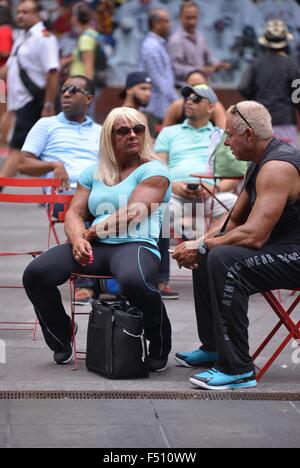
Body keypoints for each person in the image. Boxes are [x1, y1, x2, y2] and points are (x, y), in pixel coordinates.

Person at [23, 106, 172, 373]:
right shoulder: (93, 171)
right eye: (123, 131)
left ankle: (159, 341)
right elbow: (74, 212)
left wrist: (88, 234)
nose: (133, 135)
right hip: (95, 246)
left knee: (134, 281)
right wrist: (77, 238)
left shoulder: (155, 171)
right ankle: (62, 334)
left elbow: (134, 211)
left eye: (138, 129)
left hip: (136, 244)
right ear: (109, 137)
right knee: (36, 273)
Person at [172, 100, 300, 390]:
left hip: (295, 254)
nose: (226, 142)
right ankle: (216, 347)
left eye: (229, 135)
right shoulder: (257, 163)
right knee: (210, 254)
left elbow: (253, 235)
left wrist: (206, 247)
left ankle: (238, 368)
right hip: (280, 249)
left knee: (223, 259)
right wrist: (199, 242)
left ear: (249, 135)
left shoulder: (278, 166)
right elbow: (233, 221)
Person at [19, 75, 101, 306]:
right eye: (64, 89)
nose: (65, 93)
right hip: (63, 195)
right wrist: (54, 165)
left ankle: (126, 280)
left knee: (141, 211)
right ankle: (86, 281)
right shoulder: (46, 125)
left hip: (98, 193)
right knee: (85, 215)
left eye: (73, 90)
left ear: (88, 98)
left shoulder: (101, 131)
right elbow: (23, 164)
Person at [155, 84, 245, 239]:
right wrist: (172, 185)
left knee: (238, 206)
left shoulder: (222, 136)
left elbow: (234, 174)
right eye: (187, 99)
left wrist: (214, 188)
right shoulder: (168, 132)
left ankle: (207, 242)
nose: (189, 102)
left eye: (196, 99)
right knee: (158, 207)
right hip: (175, 194)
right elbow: (158, 167)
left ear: (210, 108)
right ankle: (191, 237)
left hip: (211, 195)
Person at [120, 70, 178, 300]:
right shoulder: (116, 118)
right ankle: (89, 284)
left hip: (144, 180)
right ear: (128, 89)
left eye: (150, 89)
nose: (147, 94)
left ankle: (160, 280)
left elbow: (150, 153)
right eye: (142, 88)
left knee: (160, 213)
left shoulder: (150, 118)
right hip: (119, 181)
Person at [0, 0, 59, 180]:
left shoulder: (44, 38)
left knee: (18, 148)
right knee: (37, 147)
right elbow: (8, 68)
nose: (20, 15)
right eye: (18, 12)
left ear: (37, 14)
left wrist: (48, 104)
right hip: (19, 102)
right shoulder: (22, 37)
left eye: (26, 12)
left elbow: (52, 72)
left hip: (34, 101)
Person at [239, 20, 300, 148]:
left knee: (263, 159)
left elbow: (243, 86)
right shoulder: (291, 65)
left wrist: (255, 100)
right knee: (287, 159)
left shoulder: (256, 64)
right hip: (285, 120)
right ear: (285, 43)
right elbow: (297, 96)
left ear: (265, 43)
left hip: (262, 120)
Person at [167, 1, 229, 89]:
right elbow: (175, 69)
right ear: (180, 17)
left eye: (194, 17)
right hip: (183, 90)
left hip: (201, 88)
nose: (192, 22)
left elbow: (209, 57)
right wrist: (198, 70)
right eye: (188, 18)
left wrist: (218, 65)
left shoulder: (200, 36)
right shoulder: (175, 40)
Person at [139, 8, 178, 137]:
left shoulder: (158, 44)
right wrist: (179, 102)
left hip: (161, 110)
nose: (169, 24)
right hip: (153, 112)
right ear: (156, 24)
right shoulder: (151, 46)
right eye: (166, 21)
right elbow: (161, 82)